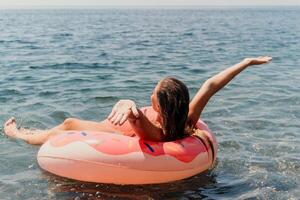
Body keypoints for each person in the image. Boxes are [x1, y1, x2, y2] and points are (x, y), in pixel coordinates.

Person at [3, 56, 272, 145]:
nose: (150, 95)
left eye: (153, 95)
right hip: (122, 127)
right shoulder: (187, 115)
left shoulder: (154, 130)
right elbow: (211, 85)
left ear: (161, 106)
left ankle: (18, 135)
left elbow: (133, 115)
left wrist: (127, 103)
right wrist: (246, 63)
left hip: (116, 136)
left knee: (68, 123)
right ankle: (28, 133)